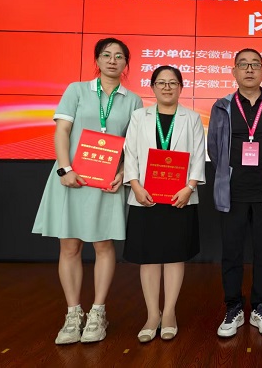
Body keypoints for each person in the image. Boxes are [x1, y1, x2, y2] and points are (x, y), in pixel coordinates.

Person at [32, 38, 143, 344]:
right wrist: (64, 169)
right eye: (106, 55)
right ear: (97, 60)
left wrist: (123, 173)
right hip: (73, 178)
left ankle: (97, 312)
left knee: (104, 246)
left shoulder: (133, 100)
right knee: (70, 247)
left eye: (119, 56)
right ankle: (72, 314)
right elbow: (62, 130)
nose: (112, 60)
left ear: (126, 64)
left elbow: (134, 146)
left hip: (107, 183)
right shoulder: (77, 90)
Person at [122, 66, 206, 342]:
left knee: (173, 255)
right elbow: (130, 153)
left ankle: (169, 313)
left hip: (179, 197)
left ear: (181, 87)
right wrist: (135, 185)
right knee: (148, 257)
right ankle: (152, 315)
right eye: (161, 82)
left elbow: (198, 155)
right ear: (153, 87)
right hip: (145, 196)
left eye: (172, 83)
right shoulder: (139, 116)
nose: (167, 87)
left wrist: (189, 188)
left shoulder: (192, 118)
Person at [207, 48, 262, 338]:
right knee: (231, 252)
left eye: (255, 65)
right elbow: (214, 148)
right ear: (234, 72)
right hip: (233, 191)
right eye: (243, 65)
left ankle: (261, 307)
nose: (249, 69)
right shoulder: (222, 106)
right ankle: (233, 307)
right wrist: (227, 173)